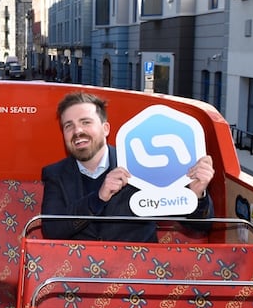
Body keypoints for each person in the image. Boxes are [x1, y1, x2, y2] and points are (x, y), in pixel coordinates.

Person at [41, 92, 215, 242]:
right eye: (68, 126)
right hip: (78, 274)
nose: (77, 131)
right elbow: (52, 230)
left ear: (105, 129)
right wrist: (98, 198)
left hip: (136, 272)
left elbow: (199, 226)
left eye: (86, 122)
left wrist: (197, 195)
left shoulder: (141, 163)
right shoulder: (55, 174)